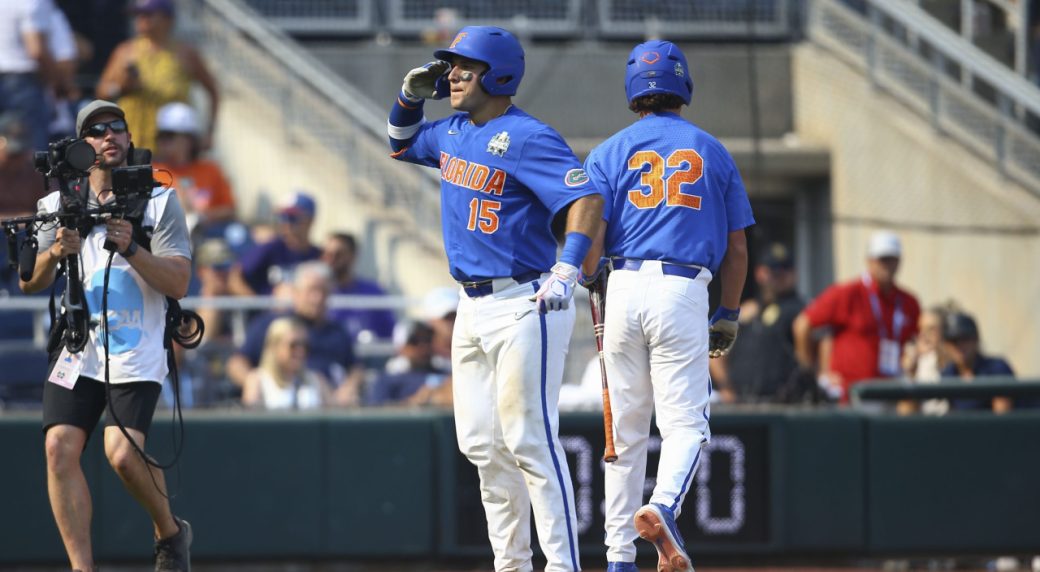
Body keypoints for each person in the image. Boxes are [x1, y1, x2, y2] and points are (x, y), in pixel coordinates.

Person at [387, 26, 604, 572]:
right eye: (451, 65)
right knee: (482, 446)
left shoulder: (528, 136)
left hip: (525, 300)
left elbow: (585, 198)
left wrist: (567, 266)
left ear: (498, 74)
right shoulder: (454, 130)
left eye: (466, 65)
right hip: (471, 306)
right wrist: (409, 97)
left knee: (530, 441)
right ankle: (511, 565)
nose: (453, 74)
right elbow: (401, 143)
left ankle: (563, 566)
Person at [581, 40, 754, 572]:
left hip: (624, 290)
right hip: (683, 289)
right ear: (684, 85)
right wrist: (726, 312)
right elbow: (738, 248)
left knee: (623, 437)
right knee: (685, 425)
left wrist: (590, 278)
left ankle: (616, 560)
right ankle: (664, 506)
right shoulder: (710, 149)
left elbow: (590, 233)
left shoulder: (609, 151)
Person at [18, 100, 192, 571]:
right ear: (79, 144)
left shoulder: (159, 199)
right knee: (58, 448)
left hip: (136, 348)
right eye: (96, 130)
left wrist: (132, 246)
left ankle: (170, 533)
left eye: (117, 127)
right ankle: (82, 568)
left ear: (129, 138)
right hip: (79, 345)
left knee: (122, 454)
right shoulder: (57, 203)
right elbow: (28, 281)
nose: (109, 135)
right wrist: (56, 250)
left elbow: (178, 282)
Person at [793, 231, 921, 403]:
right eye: (882, 259)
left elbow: (916, 340)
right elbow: (802, 325)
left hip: (891, 394)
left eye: (892, 259)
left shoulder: (908, 302)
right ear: (869, 261)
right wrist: (814, 375)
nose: (887, 265)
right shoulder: (848, 293)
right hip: (850, 397)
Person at [226, 261, 364, 405]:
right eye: (312, 290)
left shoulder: (337, 330)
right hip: (278, 401)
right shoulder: (273, 324)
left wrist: (349, 387)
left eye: (323, 291)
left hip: (326, 403)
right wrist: (258, 384)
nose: (317, 298)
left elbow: (355, 367)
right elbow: (237, 363)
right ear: (296, 292)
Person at [96, 0, 218, 152]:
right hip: (134, 144)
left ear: (167, 19)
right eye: (138, 14)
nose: (141, 19)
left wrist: (210, 132)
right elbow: (102, 93)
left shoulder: (185, 53)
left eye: (148, 14)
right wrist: (121, 87)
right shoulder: (125, 52)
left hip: (172, 149)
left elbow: (213, 90)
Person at [709, 243, 806, 403]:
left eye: (784, 272)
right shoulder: (746, 310)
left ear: (794, 274)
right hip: (738, 401)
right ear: (760, 273)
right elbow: (714, 351)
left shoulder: (801, 311)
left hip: (783, 403)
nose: (779, 277)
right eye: (774, 272)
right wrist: (726, 386)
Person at [152, 102, 236, 235]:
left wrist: (200, 218)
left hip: (208, 235)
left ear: (188, 139)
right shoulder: (154, 172)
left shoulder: (210, 169)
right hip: (168, 237)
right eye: (160, 136)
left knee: (237, 233)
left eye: (169, 136)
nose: (162, 142)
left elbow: (229, 209)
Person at [229, 191, 321, 296]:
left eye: (292, 218)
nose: (285, 223)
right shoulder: (271, 248)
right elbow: (235, 275)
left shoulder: (319, 256)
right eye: (282, 217)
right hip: (271, 311)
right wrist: (257, 306)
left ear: (310, 220)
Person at [242, 316, 333, 410]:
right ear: (274, 346)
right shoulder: (257, 381)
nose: (300, 351)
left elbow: (333, 416)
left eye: (305, 345)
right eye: (293, 345)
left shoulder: (317, 380)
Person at [0, 0, 56, 152]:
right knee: (30, 151)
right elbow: (36, 50)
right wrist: (54, 82)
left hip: (12, 80)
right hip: (21, 83)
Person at [322, 232, 396, 342]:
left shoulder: (373, 292)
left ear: (352, 256)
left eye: (338, 254)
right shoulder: (317, 294)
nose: (331, 260)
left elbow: (390, 332)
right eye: (327, 254)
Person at [940, 310, 1015, 413]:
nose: (960, 346)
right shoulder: (948, 373)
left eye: (965, 339)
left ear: (976, 340)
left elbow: (1003, 420)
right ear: (946, 345)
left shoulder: (996, 368)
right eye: (953, 341)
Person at [367, 320, 451, 407]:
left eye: (427, 339)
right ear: (401, 347)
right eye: (414, 341)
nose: (423, 346)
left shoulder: (447, 373)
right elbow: (376, 411)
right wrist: (415, 402)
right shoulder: (387, 379)